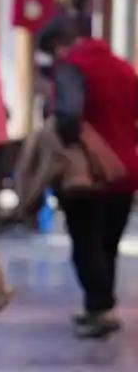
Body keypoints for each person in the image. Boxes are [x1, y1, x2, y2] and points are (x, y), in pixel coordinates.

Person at [40, 17, 138, 339]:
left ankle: (100, 307)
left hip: (86, 172)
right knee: (108, 244)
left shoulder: (71, 67)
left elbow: (68, 116)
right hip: (124, 170)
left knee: (86, 241)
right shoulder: (123, 68)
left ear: (58, 47)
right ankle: (100, 305)